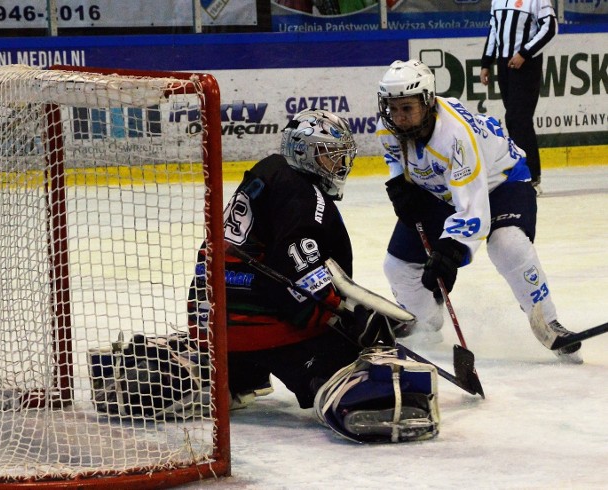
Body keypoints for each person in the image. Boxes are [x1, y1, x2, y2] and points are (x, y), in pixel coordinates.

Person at [183, 109, 440, 443]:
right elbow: (295, 271)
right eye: (329, 155)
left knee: (262, 343)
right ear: (304, 152)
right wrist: (345, 322)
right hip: (260, 324)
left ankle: (230, 375)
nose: (339, 165)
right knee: (354, 358)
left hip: (212, 321)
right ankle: (329, 382)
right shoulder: (304, 193)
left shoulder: (270, 172)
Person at [375, 59, 581, 364]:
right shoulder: (388, 126)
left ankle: (548, 322)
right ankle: (425, 322)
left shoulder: (455, 137)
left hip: (501, 183)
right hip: (441, 188)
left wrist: (451, 250)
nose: (399, 117)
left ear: (427, 101)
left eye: (407, 109)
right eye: (393, 108)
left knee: (506, 244)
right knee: (397, 266)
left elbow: (472, 208)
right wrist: (399, 184)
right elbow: (395, 156)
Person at [480, 0, 557, 195]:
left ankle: (530, 176)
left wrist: (525, 53)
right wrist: (486, 62)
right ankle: (523, 173)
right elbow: (493, 31)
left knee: (519, 118)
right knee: (512, 119)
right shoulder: (497, 1)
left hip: (526, 64)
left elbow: (550, 28)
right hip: (504, 63)